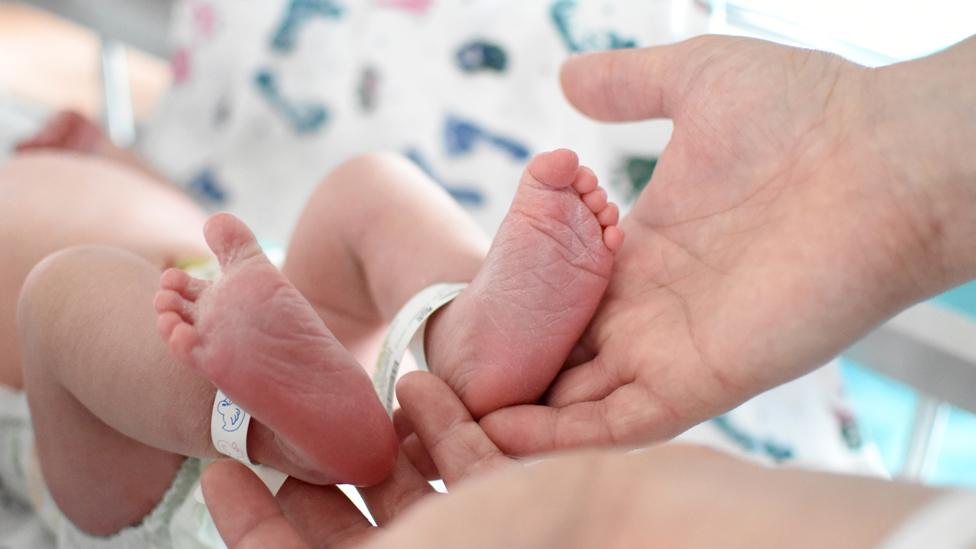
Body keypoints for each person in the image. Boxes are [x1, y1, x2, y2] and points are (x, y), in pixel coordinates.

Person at [202, 32, 976, 547]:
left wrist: (101, 154)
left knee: (89, 294)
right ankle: (447, 327)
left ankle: (425, 350)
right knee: (365, 196)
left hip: (222, 366)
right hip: (278, 325)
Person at [6, 126, 621, 545]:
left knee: (361, 189)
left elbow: (190, 219)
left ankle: (463, 337)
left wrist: (107, 155)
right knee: (60, 294)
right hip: (143, 440)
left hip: (283, 332)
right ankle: (272, 425)